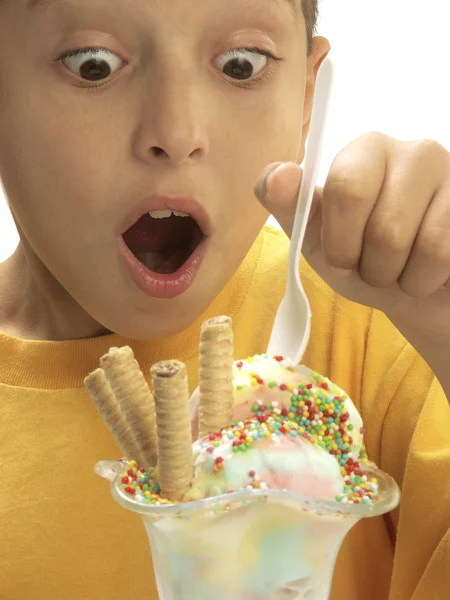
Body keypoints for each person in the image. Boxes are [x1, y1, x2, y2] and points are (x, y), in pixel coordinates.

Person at [0, 0, 448, 598]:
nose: (177, 133)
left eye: (240, 64)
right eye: (93, 66)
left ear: (307, 97)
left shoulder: (389, 335)